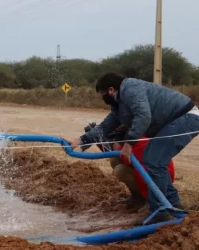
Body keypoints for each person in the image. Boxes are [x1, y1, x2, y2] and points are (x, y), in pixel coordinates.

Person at [66, 73, 199, 225]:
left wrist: (128, 145)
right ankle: (173, 206)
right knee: (153, 160)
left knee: (154, 161)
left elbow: (143, 115)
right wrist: (78, 141)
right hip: (179, 120)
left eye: (102, 94)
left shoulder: (130, 89)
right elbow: (105, 126)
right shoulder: (120, 104)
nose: (103, 99)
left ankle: (160, 211)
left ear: (111, 90)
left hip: (186, 118)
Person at [84, 123, 176, 213]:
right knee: (114, 159)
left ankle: (150, 200)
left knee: (121, 171)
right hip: (144, 170)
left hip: (160, 177)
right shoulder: (131, 137)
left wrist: (119, 149)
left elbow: (133, 160)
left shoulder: (140, 141)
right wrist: (99, 141)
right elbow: (111, 151)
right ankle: (137, 197)